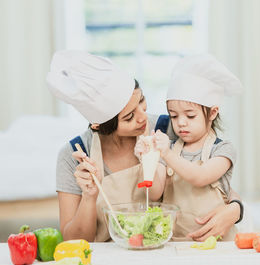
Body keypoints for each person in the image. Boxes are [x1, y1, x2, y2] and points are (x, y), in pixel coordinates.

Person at [47, 50, 243, 242]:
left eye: (141, 100)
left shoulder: (169, 129)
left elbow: (215, 183)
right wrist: (89, 196)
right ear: (98, 125)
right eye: (130, 116)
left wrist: (235, 209)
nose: (143, 117)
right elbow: (73, 240)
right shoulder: (75, 155)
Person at [136, 54, 242, 241]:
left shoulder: (223, 150)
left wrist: (166, 154)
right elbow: (154, 193)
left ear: (213, 113)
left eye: (190, 116)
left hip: (217, 243)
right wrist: (147, 160)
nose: (181, 123)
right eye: (174, 116)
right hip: (176, 241)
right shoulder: (167, 148)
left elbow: (199, 177)